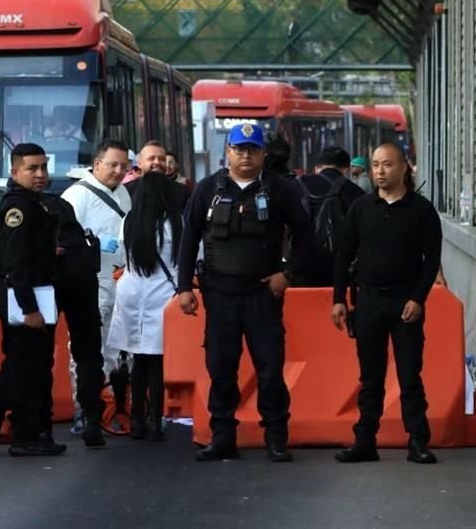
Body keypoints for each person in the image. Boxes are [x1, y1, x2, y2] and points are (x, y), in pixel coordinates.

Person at [177, 122, 313, 463]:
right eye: (240, 149)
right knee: (221, 368)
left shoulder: (280, 190)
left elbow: (307, 238)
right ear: (228, 152)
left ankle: (276, 438)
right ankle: (223, 436)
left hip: (262, 295)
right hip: (219, 295)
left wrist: (288, 274)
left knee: (270, 368)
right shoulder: (209, 188)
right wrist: (183, 288)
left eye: (252, 149)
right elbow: (188, 238)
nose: (246, 155)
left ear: (263, 154)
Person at [331, 143, 442, 465]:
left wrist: (418, 299)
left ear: (404, 167)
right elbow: (343, 254)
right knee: (370, 376)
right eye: (375, 165)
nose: (379, 171)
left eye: (387, 165)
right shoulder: (361, 208)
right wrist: (339, 298)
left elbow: (431, 259)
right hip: (368, 301)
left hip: (405, 302)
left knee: (409, 375)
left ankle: (418, 441)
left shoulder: (421, 211)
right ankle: (365, 441)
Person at [0, 143, 66, 457]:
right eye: (32, 168)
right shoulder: (19, 207)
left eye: (43, 167)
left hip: (22, 290)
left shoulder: (29, 203)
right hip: (23, 294)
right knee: (30, 366)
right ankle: (26, 434)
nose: (40, 174)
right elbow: (15, 262)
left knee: (20, 362)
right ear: (15, 172)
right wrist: (29, 309)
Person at [60, 139, 132, 433]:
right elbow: (65, 240)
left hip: (121, 282)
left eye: (123, 166)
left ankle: (113, 408)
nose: (117, 171)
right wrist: (95, 245)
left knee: (117, 350)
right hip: (91, 284)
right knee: (88, 351)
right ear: (97, 163)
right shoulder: (77, 196)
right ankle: (85, 409)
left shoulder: (124, 194)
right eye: (112, 165)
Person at [107, 172, 183, 441]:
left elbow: (119, 256)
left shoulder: (129, 221)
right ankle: (156, 419)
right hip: (162, 296)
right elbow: (189, 257)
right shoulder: (176, 223)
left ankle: (136, 417)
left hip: (131, 294)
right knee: (157, 360)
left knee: (138, 358)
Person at [40, 192, 106, 447]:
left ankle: (42, 423)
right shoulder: (79, 240)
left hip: (48, 282)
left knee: (40, 353)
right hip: (81, 277)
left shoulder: (39, 229)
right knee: (88, 353)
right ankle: (91, 418)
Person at [292, 147, 365, 287]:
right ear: (346, 170)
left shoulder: (297, 184)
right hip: (341, 271)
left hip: (302, 269)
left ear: (316, 168)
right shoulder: (356, 193)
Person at [125, 141, 191, 208]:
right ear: (139, 164)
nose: (157, 162)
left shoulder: (183, 192)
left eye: (162, 159)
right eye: (151, 158)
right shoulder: (126, 192)